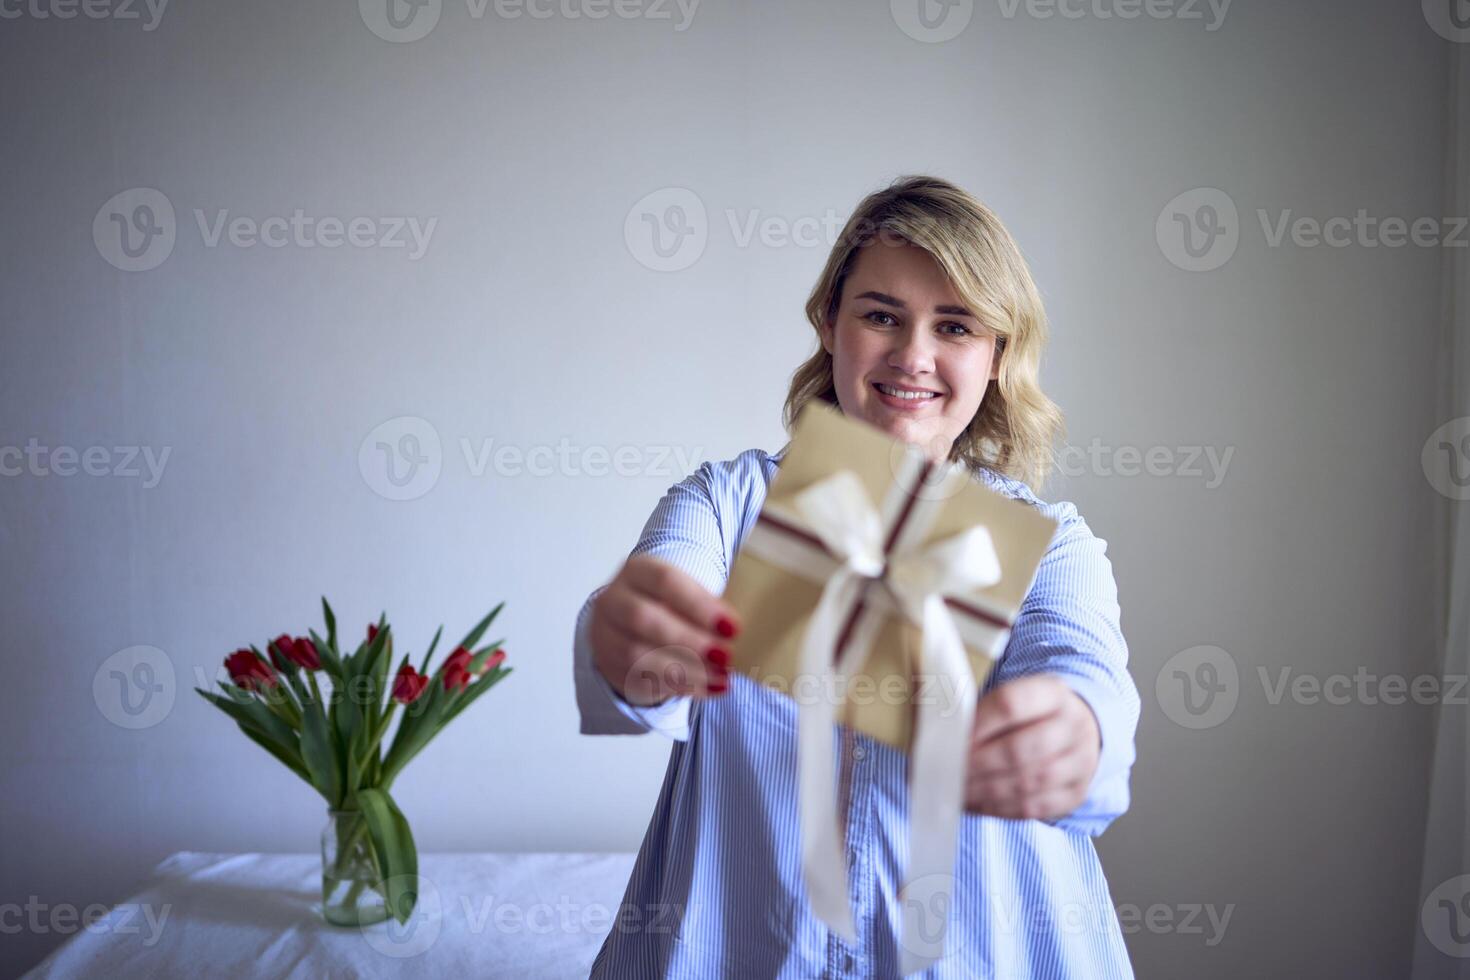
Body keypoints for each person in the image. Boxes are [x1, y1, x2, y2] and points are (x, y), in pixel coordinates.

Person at [573, 175, 1140, 978]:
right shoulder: (725, 507)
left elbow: (1088, 676)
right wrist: (623, 636)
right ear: (829, 324)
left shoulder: (1051, 547)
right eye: (881, 316)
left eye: (955, 326)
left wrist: (1077, 729)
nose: (914, 355)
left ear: (996, 356)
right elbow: (654, 605)